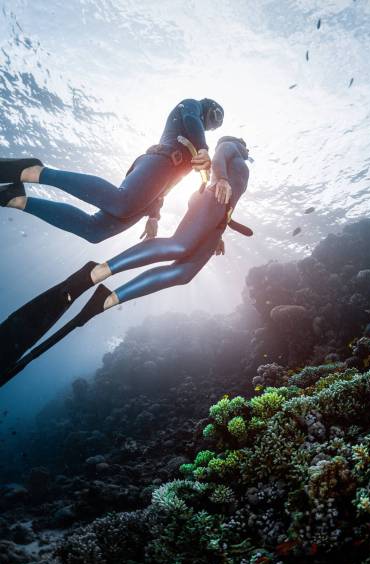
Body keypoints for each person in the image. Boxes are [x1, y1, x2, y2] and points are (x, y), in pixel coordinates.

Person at [0, 136, 251, 383]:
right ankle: (101, 271)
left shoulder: (240, 164)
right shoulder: (231, 147)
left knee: (184, 274)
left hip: (220, 218)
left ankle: (108, 299)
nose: (246, 148)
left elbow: (228, 195)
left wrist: (218, 228)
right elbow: (219, 157)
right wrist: (222, 178)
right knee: (178, 246)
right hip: (214, 200)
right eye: (244, 144)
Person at [0, 98, 224, 242]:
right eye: (215, 118)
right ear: (209, 107)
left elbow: (170, 185)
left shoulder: (196, 140)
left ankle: (16, 199)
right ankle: (35, 172)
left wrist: (154, 215)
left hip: (158, 185)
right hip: (158, 161)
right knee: (121, 203)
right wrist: (204, 148)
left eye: (216, 127)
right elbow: (191, 118)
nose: (212, 126)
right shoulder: (191, 105)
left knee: (95, 231)